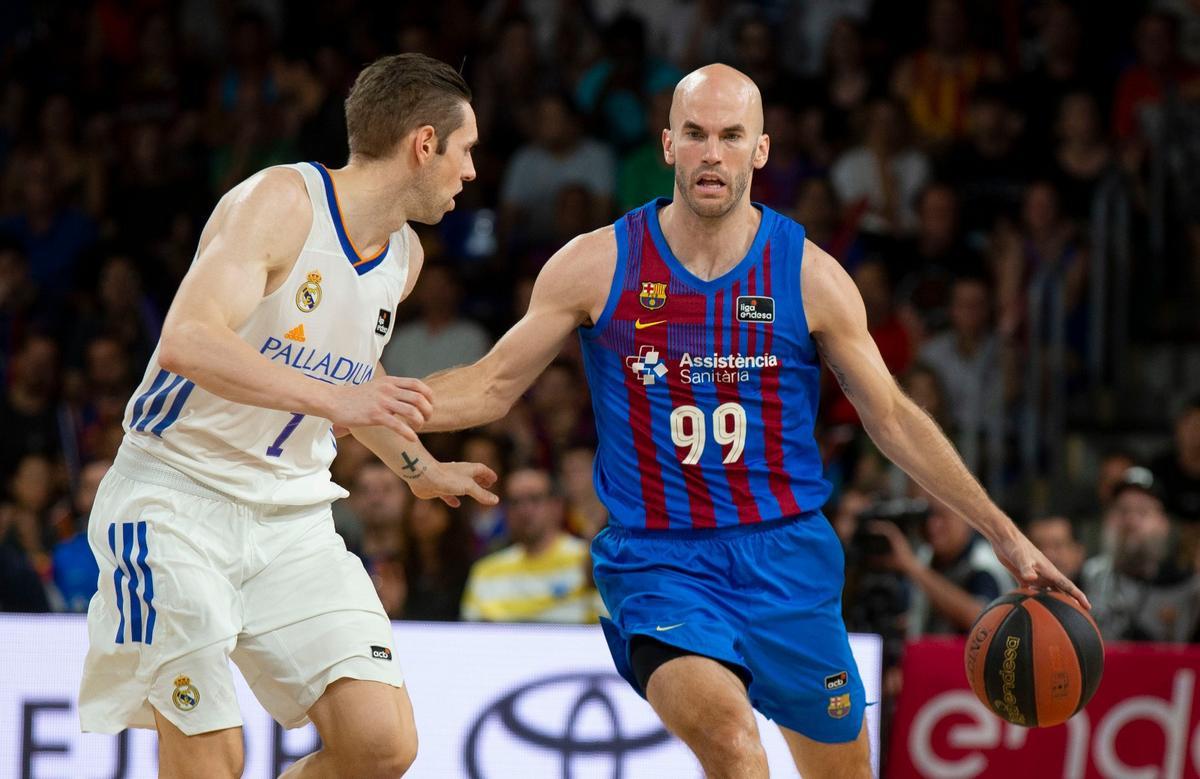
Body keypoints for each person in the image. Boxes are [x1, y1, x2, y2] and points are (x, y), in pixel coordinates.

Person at [421, 64, 1086, 778]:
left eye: (732, 136)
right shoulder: (598, 264)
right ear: (667, 144)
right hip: (660, 562)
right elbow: (489, 386)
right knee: (735, 746)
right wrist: (364, 400)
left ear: (761, 149)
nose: (713, 153)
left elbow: (891, 416)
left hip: (786, 561)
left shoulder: (809, 275)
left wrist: (1009, 537)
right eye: (697, 134)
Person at [77, 53, 499, 779]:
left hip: (294, 519)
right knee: (214, 759)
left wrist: (419, 469)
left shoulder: (405, 257)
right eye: (464, 151)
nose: (469, 172)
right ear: (423, 144)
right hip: (175, 501)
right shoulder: (280, 200)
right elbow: (188, 339)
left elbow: (354, 377)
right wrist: (341, 399)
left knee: (380, 745)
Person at [461, 468, 596, 623]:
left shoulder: (588, 559)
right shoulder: (485, 571)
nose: (524, 510)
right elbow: (472, 637)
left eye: (535, 499)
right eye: (515, 502)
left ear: (557, 506)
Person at [1081, 466, 1200, 642]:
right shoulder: (1088, 578)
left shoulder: (1187, 586)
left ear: (1163, 524)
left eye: (1143, 512)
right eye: (1122, 511)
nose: (1131, 521)